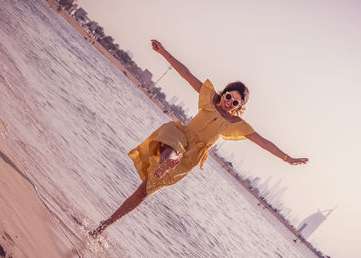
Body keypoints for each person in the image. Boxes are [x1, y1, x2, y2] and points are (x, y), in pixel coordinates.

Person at [89, 40, 308, 237]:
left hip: (190, 158)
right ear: (223, 93)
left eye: (234, 103)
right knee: (172, 139)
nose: (228, 102)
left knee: (143, 191)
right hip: (180, 136)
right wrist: (164, 52)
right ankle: (167, 161)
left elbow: (264, 142)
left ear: (240, 108)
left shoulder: (236, 126)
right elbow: (186, 73)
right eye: (228, 96)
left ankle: (104, 226)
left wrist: (287, 158)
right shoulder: (210, 99)